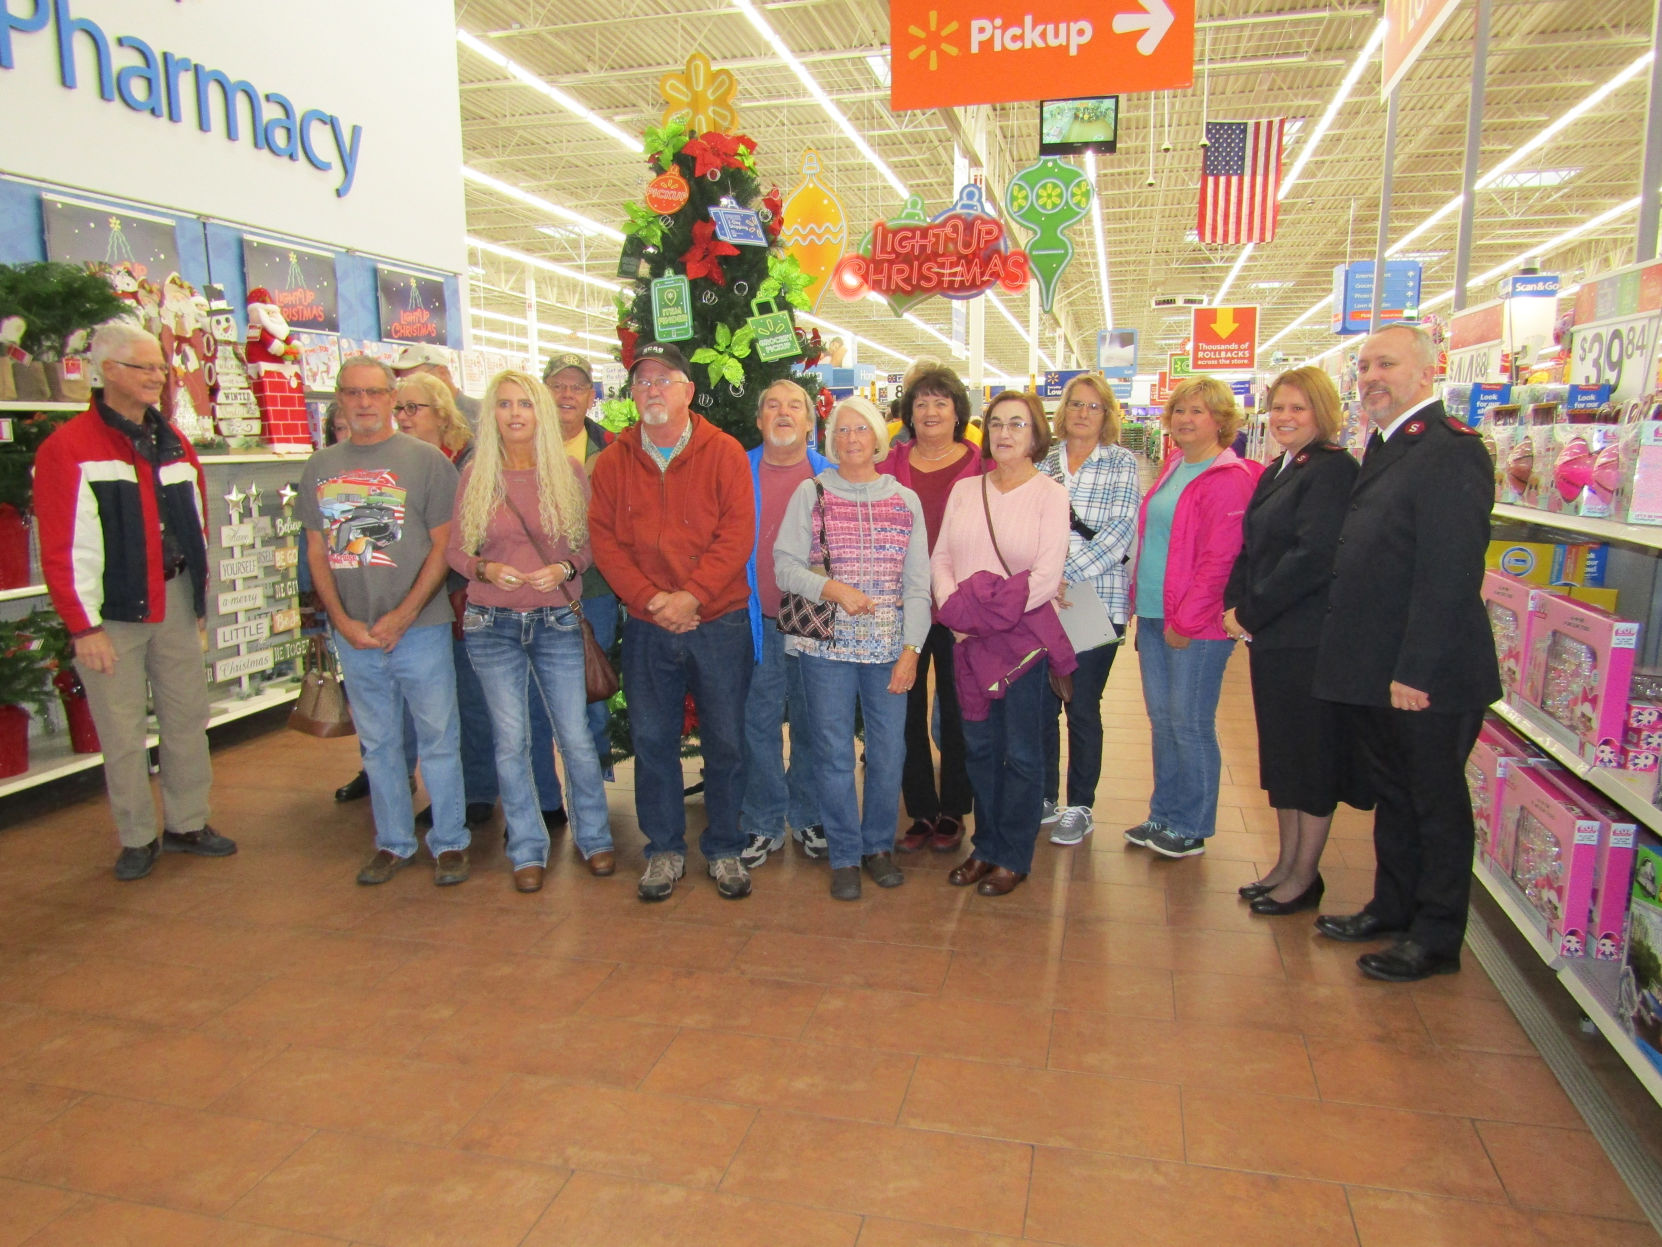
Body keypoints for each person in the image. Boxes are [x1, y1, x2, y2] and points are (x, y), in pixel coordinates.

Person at [1312, 322, 1499, 982]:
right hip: (1377, 667)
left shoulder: (1450, 451)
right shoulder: (1390, 447)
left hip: (1428, 676)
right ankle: (1392, 907)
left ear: (1428, 370)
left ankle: (1436, 934)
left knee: (1435, 804)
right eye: (1364, 367)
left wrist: (1415, 670)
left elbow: (1449, 573)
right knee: (1395, 796)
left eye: (1386, 364)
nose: (1370, 378)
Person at [35, 322, 235, 881]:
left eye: (160, 368)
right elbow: (60, 548)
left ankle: (188, 822)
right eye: (144, 367)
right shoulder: (68, 448)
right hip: (111, 617)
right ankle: (137, 836)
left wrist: (196, 600)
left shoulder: (173, 440)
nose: (157, 377)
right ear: (109, 372)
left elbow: (196, 520)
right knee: (122, 734)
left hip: (172, 601)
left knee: (186, 719)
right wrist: (83, 627)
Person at [588, 342, 757, 903]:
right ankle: (663, 849)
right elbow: (605, 542)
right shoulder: (613, 461)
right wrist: (650, 599)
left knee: (727, 740)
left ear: (688, 390)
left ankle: (726, 847)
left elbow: (736, 534)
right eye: (642, 382)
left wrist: (693, 596)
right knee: (653, 738)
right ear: (631, 394)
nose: (652, 390)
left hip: (719, 620)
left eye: (664, 380)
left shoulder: (724, 451)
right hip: (646, 622)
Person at [300, 355, 469, 886]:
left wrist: (404, 614)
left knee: (439, 737)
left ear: (391, 399)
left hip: (419, 630)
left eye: (374, 393)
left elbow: (446, 547)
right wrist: (341, 621)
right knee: (378, 744)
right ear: (340, 400)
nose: (364, 403)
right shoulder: (320, 467)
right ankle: (394, 843)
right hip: (354, 634)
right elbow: (317, 553)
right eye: (353, 393)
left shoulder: (426, 462)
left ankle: (450, 841)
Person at [446, 371, 614, 892]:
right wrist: (484, 570)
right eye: (504, 404)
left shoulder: (566, 472)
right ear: (490, 415)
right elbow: (456, 550)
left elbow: (585, 549)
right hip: (490, 625)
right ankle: (526, 847)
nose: (515, 413)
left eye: (525, 403)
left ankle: (597, 839)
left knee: (576, 737)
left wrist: (564, 570)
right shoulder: (476, 474)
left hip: (557, 621)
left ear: (540, 413)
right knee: (510, 742)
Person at [1223, 367, 1365, 916]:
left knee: (1307, 758)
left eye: (1298, 409)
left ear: (1323, 413)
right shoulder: (1279, 470)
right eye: (1278, 407)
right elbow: (1252, 548)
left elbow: (1312, 558)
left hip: (1307, 639)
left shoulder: (1332, 471)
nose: (1284, 417)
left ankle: (1305, 876)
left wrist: (1251, 610)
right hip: (1273, 638)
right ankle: (1285, 864)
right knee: (1282, 755)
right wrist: (1236, 605)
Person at [775, 397, 929, 900]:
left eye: (862, 430)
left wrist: (912, 649)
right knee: (833, 751)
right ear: (831, 439)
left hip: (889, 650)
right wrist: (832, 590)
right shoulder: (811, 492)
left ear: (879, 439)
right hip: (826, 650)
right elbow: (784, 566)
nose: (852, 439)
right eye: (842, 431)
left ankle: (876, 847)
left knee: (889, 751)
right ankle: (844, 852)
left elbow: (918, 586)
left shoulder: (905, 501)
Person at [395, 372, 562, 834]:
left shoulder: (469, 460)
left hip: (484, 600)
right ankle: (478, 795)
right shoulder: (445, 464)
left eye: (415, 407)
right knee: (474, 706)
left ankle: (539, 802)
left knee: (524, 710)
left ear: (442, 411)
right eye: (400, 408)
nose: (405, 417)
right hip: (461, 601)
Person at [932, 391, 1072, 897]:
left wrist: (980, 620)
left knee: (1022, 752)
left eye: (1017, 424)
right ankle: (985, 846)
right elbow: (942, 557)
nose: (1005, 433)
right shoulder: (966, 491)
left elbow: (1046, 575)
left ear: (1035, 434)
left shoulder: (1050, 494)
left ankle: (1014, 854)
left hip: (1024, 644)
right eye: (996, 424)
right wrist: (955, 614)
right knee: (979, 748)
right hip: (967, 641)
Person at [1124, 378, 1261, 860]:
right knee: (1162, 720)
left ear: (1221, 421)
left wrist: (1187, 619)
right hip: (1157, 613)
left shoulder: (1230, 477)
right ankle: (1164, 812)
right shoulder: (1176, 465)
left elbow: (1218, 561)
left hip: (1195, 624)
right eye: (1179, 409)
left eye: (1198, 411)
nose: (1185, 419)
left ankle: (1192, 824)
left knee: (1191, 721)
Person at [878, 366, 985, 854]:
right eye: (921, 403)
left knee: (960, 708)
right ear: (908, 413)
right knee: (905, 707)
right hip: (905, 606)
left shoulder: (981, 465)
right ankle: (920, 807)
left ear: (958, 412)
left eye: (941, 402)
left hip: (963, 609)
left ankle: (954, 808)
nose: (930, 411)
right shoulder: (891, 463)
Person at [1037, 373, 1140, 847]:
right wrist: (1044, 579)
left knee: (1081, 703)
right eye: (1075, 404)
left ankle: (1080, 804)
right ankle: (1043, 795)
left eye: (1093, 407)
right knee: (1041, 704)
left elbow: (1120, 533)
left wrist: (1060, 574)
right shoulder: (1043, 463)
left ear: (1107, 416)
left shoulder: (1121, 463)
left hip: (1097, 600)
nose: (1082, 413)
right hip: (1039, 604)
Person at [740, 380, 830, 867]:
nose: (783, 412)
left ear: (809, 421)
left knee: (813, 722)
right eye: (772, 404)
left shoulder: (828, 475)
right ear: (759, 419)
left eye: (794, 405)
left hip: (812, 621)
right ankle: (763, 819)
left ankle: (810, 814)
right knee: (758, 722)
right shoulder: (739, 469)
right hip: (756, 621)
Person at [543, 352, 620, 778]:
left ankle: (593, 780)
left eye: (576, 387)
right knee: (540, 692)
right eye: (557, 386)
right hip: (532, 591)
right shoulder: (519, 444)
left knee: (593, 683)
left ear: (591, 396)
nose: (566, 394)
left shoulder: (611, 446)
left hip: (594, 589)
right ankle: (550, 787)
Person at [393, 343, 480, 430]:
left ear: (442, 373)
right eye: (402, 381)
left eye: (417, 378)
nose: (408, 387)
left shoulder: (481, 413)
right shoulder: (407, 424)